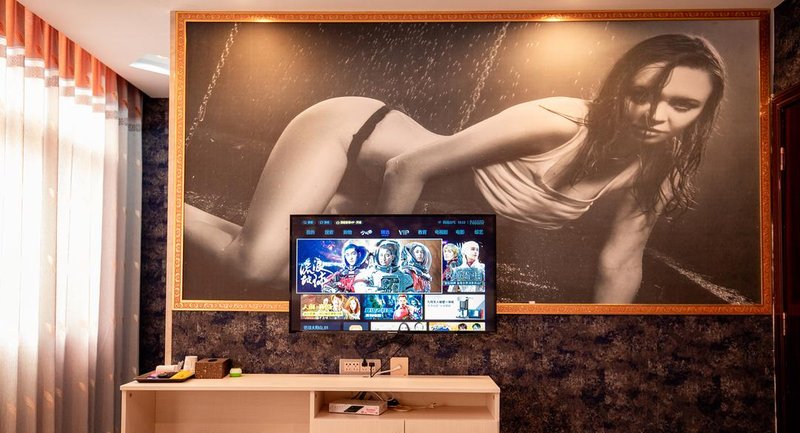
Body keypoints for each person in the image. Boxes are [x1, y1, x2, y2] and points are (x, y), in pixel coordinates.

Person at [184, 34, 726, 303]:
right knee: (251, 269)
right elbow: (407, 166)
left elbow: (621, 261)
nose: (656, 115)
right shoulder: (560, 121)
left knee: (296, 273)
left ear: (703, 113)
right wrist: (383, 269)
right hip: (352, 136)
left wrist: (606, 343)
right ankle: (168, 206)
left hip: (392, 191)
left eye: (682, 105)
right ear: (619, 88)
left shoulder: (659, 172)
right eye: (642, 94)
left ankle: (267, 231)